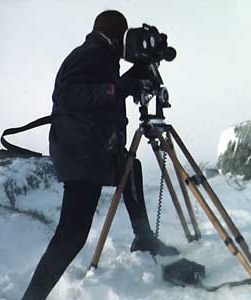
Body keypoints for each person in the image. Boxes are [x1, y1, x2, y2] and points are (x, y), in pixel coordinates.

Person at [22, 10, 178, 300]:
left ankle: (143, 236)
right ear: (116, 35)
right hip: (82, 154)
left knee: (131, 168)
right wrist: (116, 87)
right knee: (71, 236)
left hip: (93, 150)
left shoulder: (101, 57)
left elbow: (106, 92)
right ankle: (33, 297)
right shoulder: (88, 53)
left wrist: (134, 77)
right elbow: (69, 95)